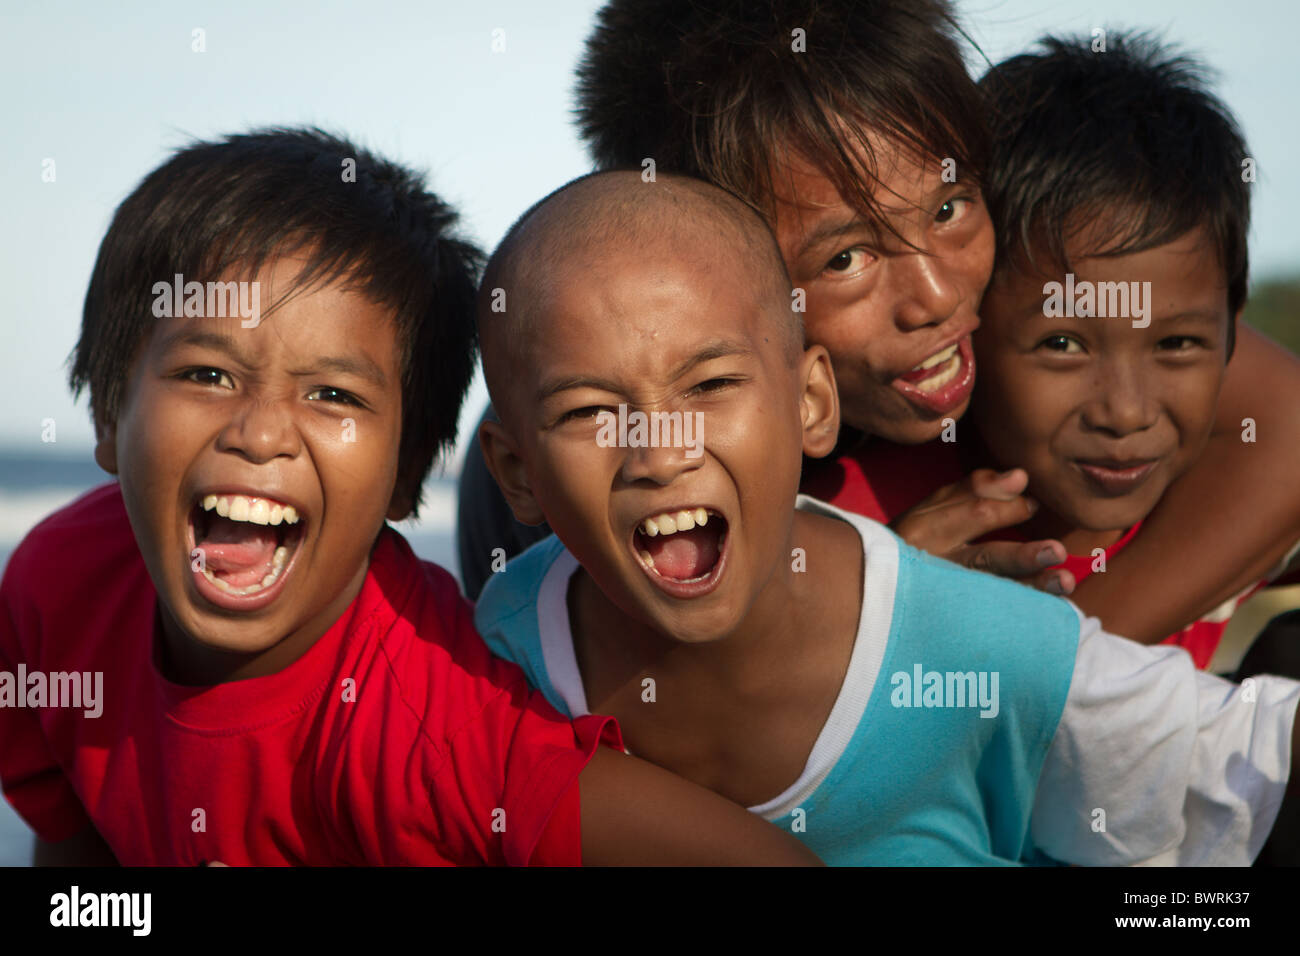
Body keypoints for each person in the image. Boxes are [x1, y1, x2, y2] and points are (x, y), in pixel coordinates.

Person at [0, 129, 818, 866]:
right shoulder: (56, 582)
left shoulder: (440, 728)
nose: (260, 434)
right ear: (109, 411)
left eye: (334, 396)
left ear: (407, 471)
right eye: (207, 374)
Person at [472, 169, 1299, 865]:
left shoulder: (980, 642)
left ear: (810, 401)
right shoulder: (497, 649)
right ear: (516, 472)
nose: (659, 453)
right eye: (589, 412)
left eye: (711, 387)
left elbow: (1235, 760)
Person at [457, 0, 1300, 659]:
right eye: (846, 260)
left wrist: (1048, 655)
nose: (935, 295)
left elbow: (1285, 420)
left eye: (949, 207)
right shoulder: (590, 463)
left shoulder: (1035, 281)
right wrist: (861, 614)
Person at [806, 33, 1300, 669]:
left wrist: (1057, 661)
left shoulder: (1217, 493)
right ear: (969, 325)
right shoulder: (865, 535)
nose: (1125, 413)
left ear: (1232, 337)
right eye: (1063, 344)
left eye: (1176, 343)